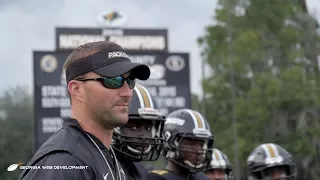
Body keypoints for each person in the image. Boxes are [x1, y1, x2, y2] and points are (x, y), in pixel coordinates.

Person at [19, 41, 151, 180]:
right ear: (77, 90)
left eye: (130, 80)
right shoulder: (64, 163)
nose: (128, 93)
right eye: (113, 80)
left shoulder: (105, 154)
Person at [112, 84, 166, 180]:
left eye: (148, 129)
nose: (143, 135)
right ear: (116, 127)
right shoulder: (100, 164)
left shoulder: (141, 171)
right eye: (133, 128)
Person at [147, 108, 214, 180]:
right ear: (169, 144)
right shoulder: (157, 178)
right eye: (191, 144)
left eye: (201, 145)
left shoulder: (201, 178)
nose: (199, 151)